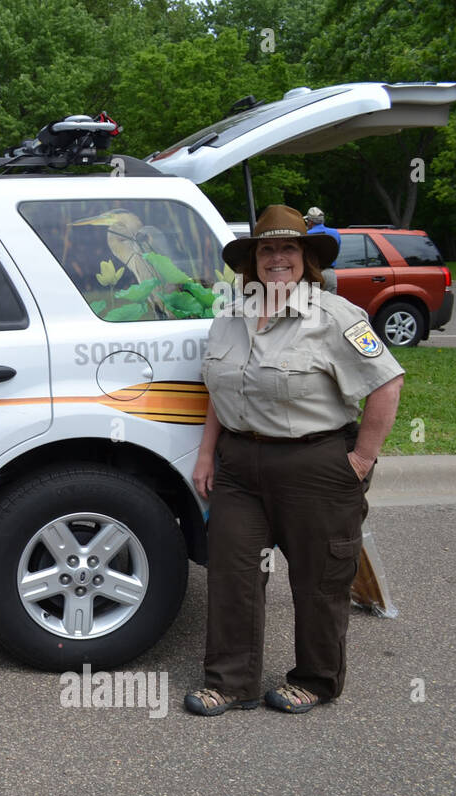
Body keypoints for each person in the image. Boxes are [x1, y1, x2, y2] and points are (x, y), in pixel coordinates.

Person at [187, 205, 404, 716]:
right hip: (239, 465)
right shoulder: (229, 317)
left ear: (305, 258)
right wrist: (205, 454)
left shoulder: (336, 317)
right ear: (253, 260)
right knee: (232, 573)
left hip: (317, 465)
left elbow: (387, 384)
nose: (277, 258)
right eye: (267, 248)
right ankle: (232, 681)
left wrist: (361, 461)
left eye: (289, 248)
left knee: (319, 581)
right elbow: (217, 390)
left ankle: (315, 679)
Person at [305, 206, 340, 292]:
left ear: (310, 222)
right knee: (330, 304)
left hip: (313, 274)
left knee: (314, 303)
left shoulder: (306, 234)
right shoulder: (335, 233)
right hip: (330, 274)